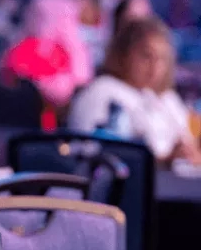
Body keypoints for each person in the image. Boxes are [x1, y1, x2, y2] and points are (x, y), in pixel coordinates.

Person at [68, 17, 201, 164]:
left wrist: (192, 156)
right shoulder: (101, 93)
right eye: (146, 56)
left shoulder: (167, 99)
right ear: (124, 54)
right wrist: (164, 161)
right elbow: (95, 156)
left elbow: (190, 147)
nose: (154, 67)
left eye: (162, 58)